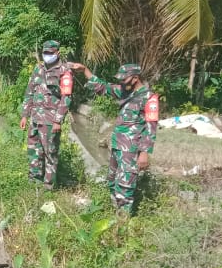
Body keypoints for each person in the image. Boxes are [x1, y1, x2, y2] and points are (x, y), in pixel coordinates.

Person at [68, 61, 160, 212]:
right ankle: (115, 212)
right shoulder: (125, 91)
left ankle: (122, 223)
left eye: (124, 79)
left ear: (135, 78)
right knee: (112, 181)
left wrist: (144, 153)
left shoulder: (149, 99)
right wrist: (85, 70)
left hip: (130, 150)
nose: (121, 82)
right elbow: (103, 87)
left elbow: (151, 129)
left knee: (125, 187)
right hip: (117, 146)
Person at [19, 40, 74, 190]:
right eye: (45, 53)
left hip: (50, 120)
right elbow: (29, 92)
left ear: (57, 53)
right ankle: (34, 180)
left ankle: (49, 186)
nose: (47, 55)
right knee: (34, 150)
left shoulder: (64, 71)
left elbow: (66, 98)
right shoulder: (38, 69)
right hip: (35, 118)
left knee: (50, 153)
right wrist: (25, 114)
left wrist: (58, 120)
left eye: (50, 53)